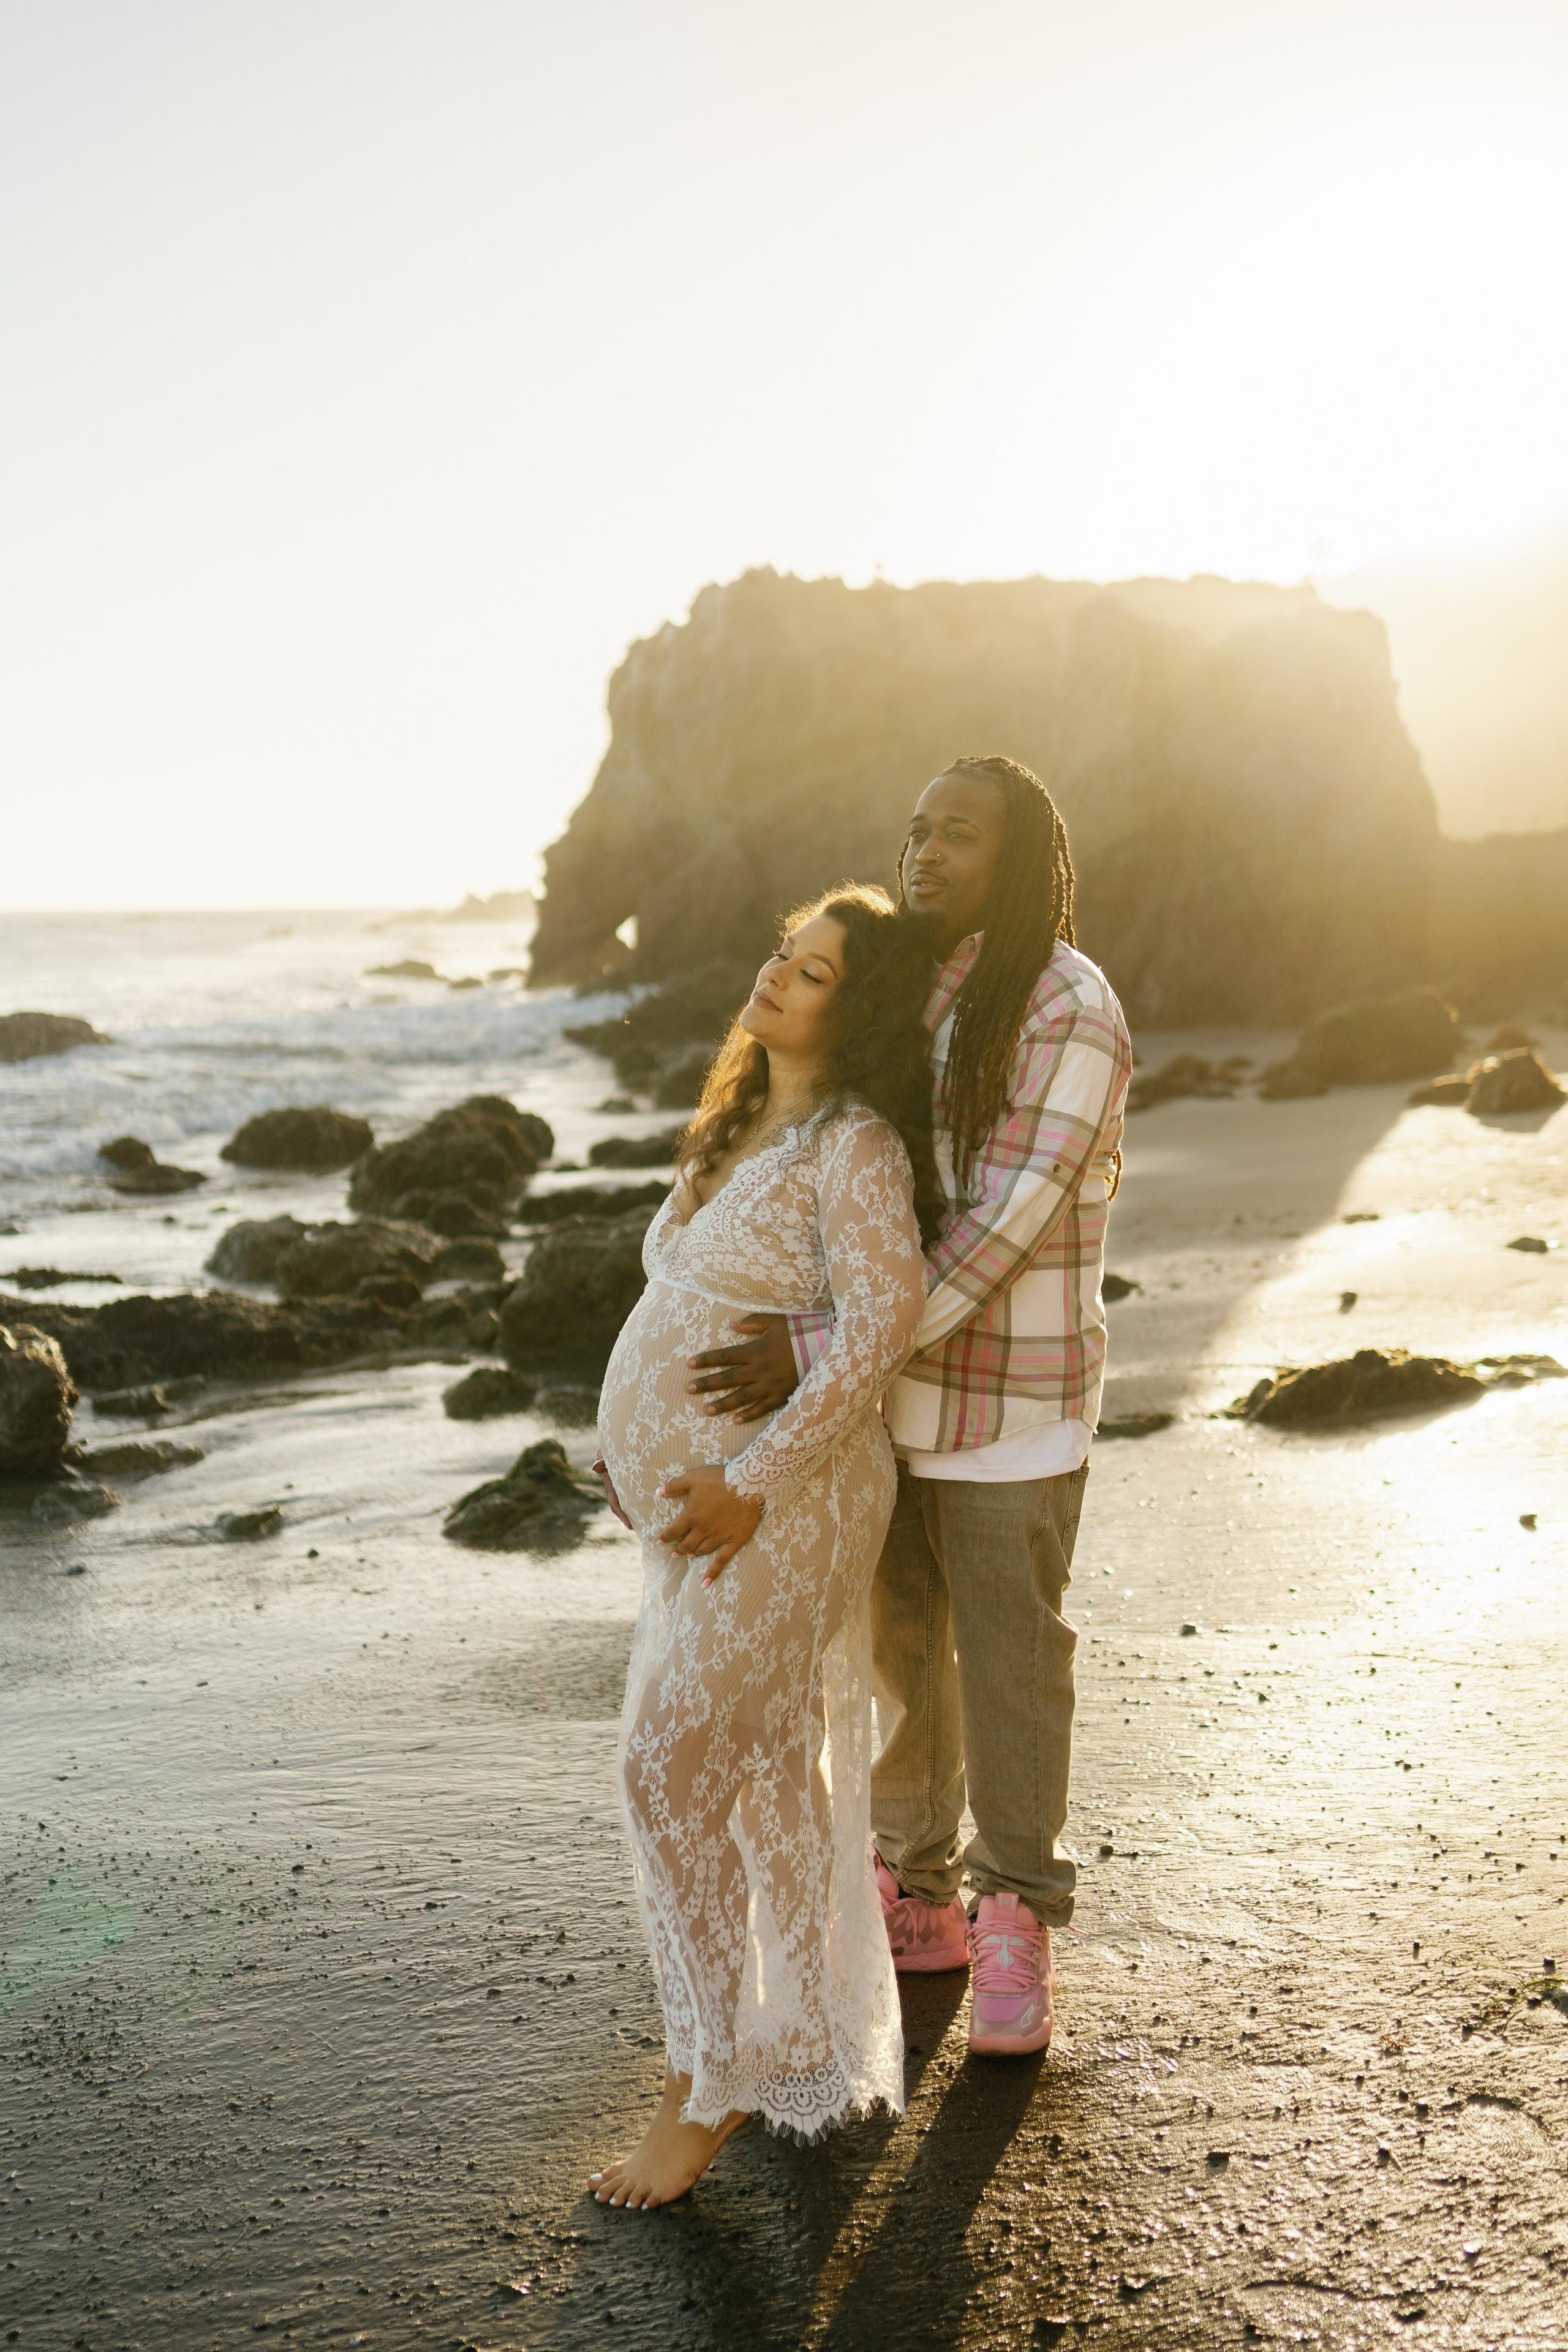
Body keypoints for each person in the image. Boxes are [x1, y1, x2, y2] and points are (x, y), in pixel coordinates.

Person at [687, 755, 1132, 2059]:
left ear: (1024, 855)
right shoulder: (905, 982)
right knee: (900, 1647)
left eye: (962, 836)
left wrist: (820, 1346)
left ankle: (1016, 1915)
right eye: (916, 831)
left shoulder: (1065, 1005)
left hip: (1011, 1397)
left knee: (1007, 1657)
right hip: (882, 1404)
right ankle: (919, 1892)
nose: (926, 854)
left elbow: (997, 1230)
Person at [587, 885, 946, 2211]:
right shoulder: (738, 1121)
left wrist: (743, 1480)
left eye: (811, 972)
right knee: (768, 1769)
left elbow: (877, 1327)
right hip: (700, 1506)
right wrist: (626, 1447)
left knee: (664, 1770)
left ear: (854, 1012)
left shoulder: (853, 1146)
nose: (776, 980)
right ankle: (793, 2037)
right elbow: (675, 1299)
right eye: (780, 957)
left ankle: (704, 2080)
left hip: (791, 1504)